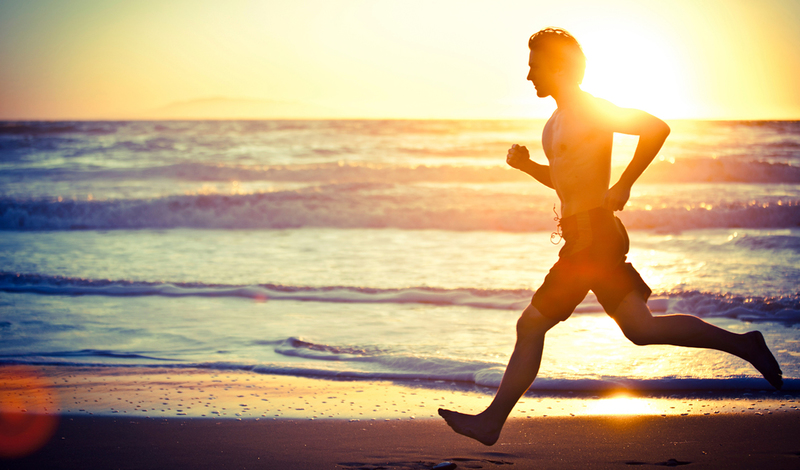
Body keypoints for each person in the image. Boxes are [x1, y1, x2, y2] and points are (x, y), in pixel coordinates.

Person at [438, 27, 783, 446]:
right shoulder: (555, 123)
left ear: (558, 66)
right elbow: (567, 183)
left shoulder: (590, 110)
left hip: (593, 239)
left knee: (531, 324)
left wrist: (625, 183)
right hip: (588, 235)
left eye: (534, 66)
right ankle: (745, 344)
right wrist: (528, 167)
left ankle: (492, 421)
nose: (528, 76)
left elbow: (656, 128)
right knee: (640, 328)